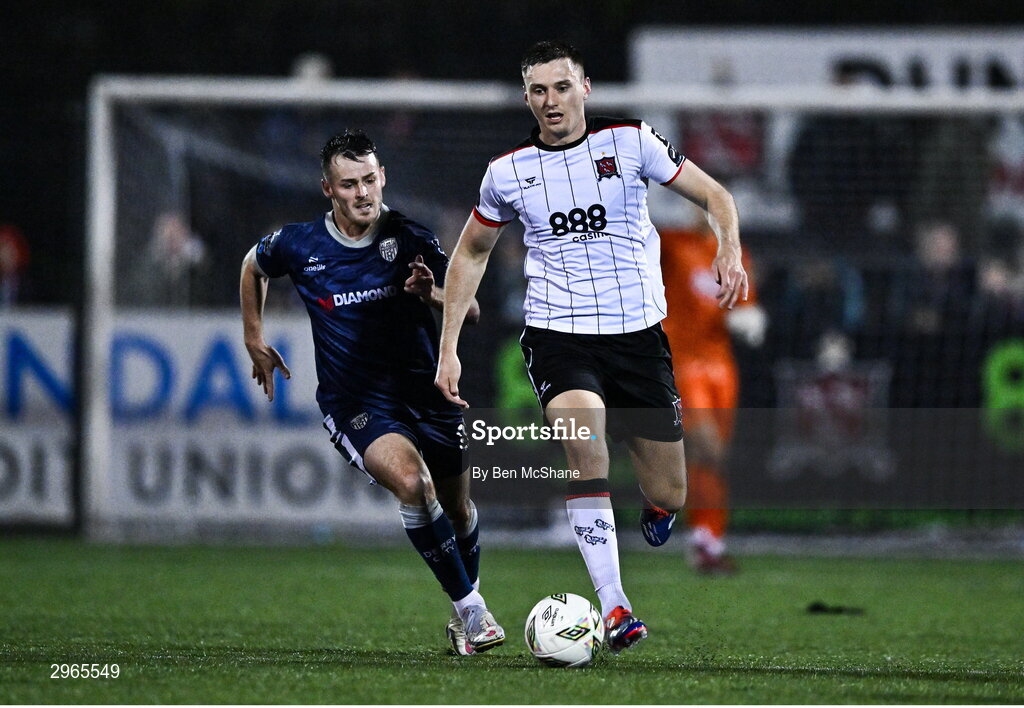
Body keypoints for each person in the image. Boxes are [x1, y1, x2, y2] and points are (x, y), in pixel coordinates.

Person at [434, 41, 748, 653]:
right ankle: (616, 606)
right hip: (558, 335)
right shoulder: (508, 172)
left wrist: (728, 246)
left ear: (586, 88)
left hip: (638, 339)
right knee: (586, 441)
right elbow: (471, 251)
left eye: (561, 86)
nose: (550, 100)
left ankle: (657, 509)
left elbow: (718, 197)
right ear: (527, 98)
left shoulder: (631, 143)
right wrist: (449, 347)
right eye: (538, 90)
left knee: (670, 492)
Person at [239, 130, 504, 655]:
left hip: (428, 396)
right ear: (327, 189)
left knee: (458, 509)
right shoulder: (300, 244)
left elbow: (469, 311)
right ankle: (473, 611)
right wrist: (254, 337)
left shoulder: (412, 238)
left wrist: (430, 290)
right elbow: (253, 265)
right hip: (357, 402)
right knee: (414, 484)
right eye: (349, 184)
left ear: (382, 177)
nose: (363, 193)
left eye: (369, 180)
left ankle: (463, 606)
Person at [659, 208, 767, 574]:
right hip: (684, 361)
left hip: (722, 365)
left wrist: (748, 317)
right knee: (706, 445)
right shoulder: (673, 244)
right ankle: (698, 536)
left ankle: (708, 541)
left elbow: (743, 303)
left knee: (716, 459)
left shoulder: (738, 255)